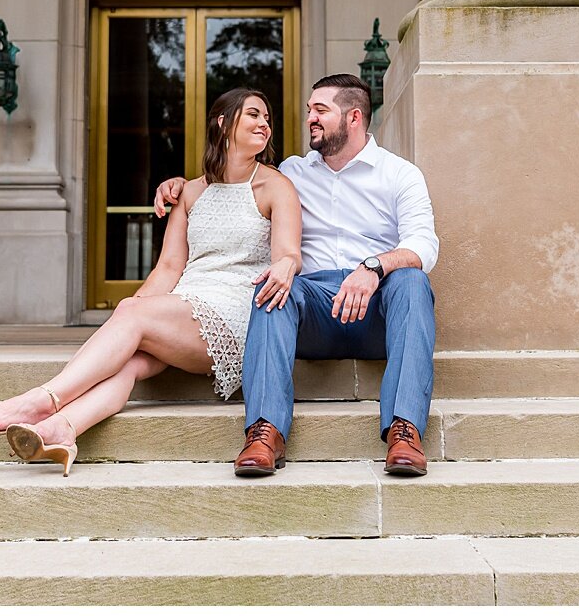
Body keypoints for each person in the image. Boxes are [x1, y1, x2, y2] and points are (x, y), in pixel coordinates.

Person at [0, 87, 301, 475]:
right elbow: (169, 269)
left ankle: (41, 401)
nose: (265, 125)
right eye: (254, 115)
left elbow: (288, 255)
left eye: (267, 119)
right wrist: (128, 319)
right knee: (130, 363)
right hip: (185, 305)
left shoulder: (276, 186)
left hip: (237, 312)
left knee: (133, 317)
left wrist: (287, 264)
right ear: (223, 123)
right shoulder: (191, 192)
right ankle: (63, 429)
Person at [154, 73, 438, 478]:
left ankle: (404, 430)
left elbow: (424, 247)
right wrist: (180, 186)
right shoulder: (291, 172)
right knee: (274, 285)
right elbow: (231, 182)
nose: (310, 119)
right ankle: (264, 432)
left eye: (320, 111)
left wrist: (374, 267)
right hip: (317, 308)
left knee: (413, 281)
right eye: (309, 111)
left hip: (378, 307)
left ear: (354, 117)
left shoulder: (400, 174)